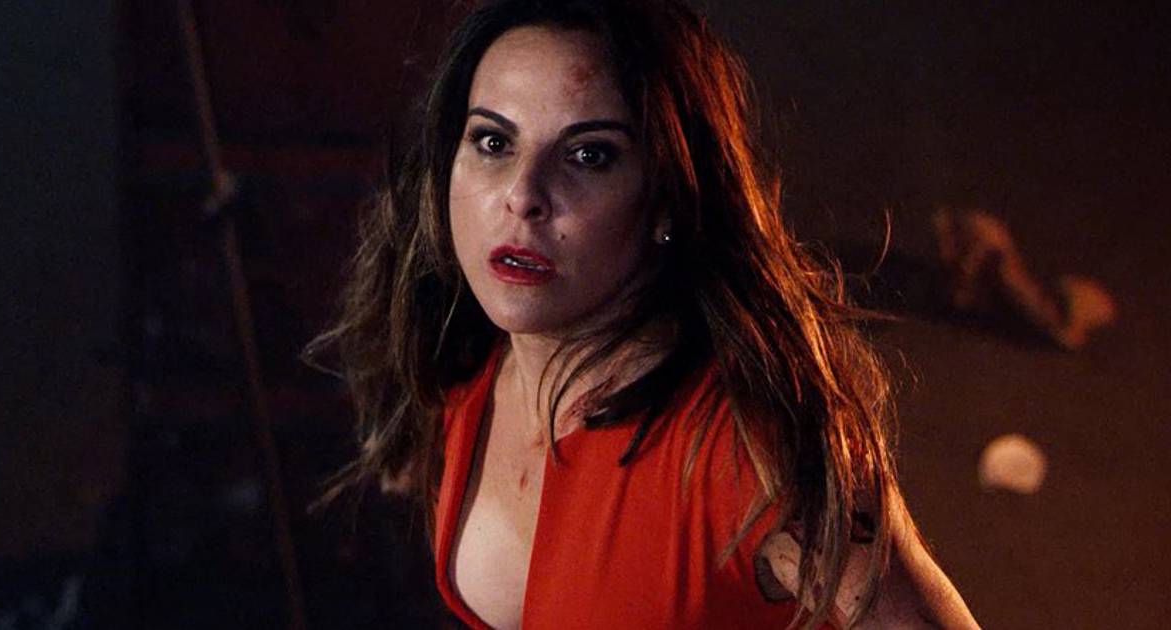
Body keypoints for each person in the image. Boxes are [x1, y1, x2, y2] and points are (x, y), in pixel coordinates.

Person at [307, 0, 979, 627]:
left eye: (588, 155)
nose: (523, 194)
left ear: (665, 197)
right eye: (492, 142)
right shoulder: (466, 369)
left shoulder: (742, 447)